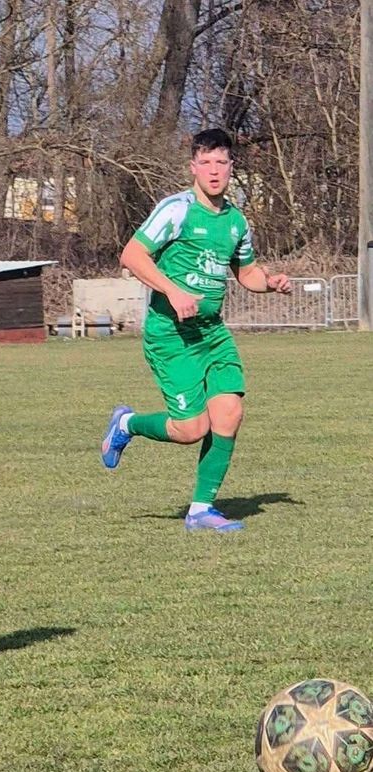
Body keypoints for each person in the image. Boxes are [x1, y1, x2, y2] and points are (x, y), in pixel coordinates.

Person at [101, 128, 291, 532]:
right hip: (172, 335)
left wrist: (269, 282)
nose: (214, 170)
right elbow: (132, 255)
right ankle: (127, 424)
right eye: (205, 162)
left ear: (232, 167)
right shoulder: (177, 210)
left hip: (212, 333)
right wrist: (172, 290)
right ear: (193, 167)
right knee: (191, 430)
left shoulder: (236, 221)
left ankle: (201, 510)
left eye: (221, 162)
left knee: (230, 412)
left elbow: (246, 273)